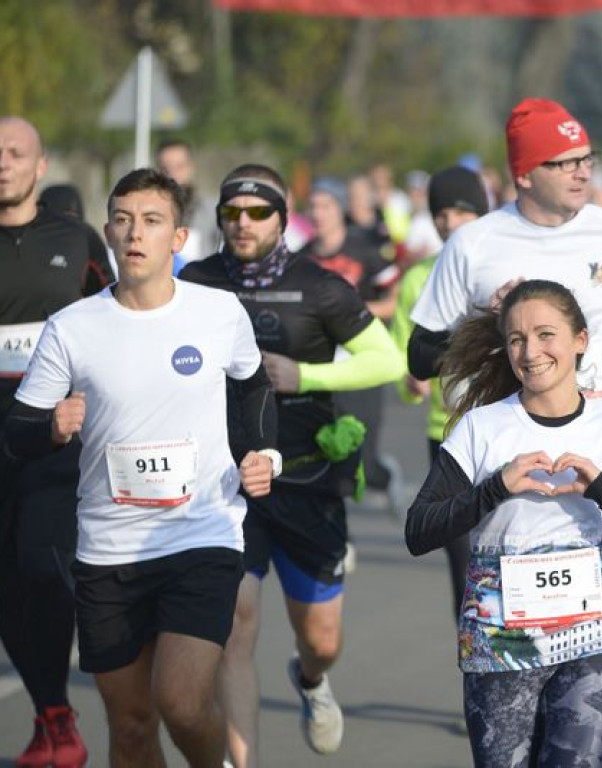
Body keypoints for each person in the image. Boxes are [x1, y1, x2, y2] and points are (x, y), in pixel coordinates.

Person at [5, 167, 280, 767]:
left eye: (152, 221)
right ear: (107, 231)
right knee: (130, 728)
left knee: (181, 704)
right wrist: (51, 428)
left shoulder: (217, 312)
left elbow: (254, 386)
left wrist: (266, 454)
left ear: (178, 238)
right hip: (108, 550)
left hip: (201, 534)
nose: (136, 234)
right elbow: (19, 430)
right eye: (124, 221)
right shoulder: (73, 327)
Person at [405, 279, 602, 767]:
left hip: (589, 638)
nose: (530, 351)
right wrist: (494, 488)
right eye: (516, 339)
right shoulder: (482, 427)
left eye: (545, 334)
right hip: (501, 641)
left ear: (580, 340)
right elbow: (419, 530)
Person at [180, 164, 403, 765]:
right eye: (233, 212)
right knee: (236, 623)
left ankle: (311, 680)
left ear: (283, 218)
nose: (244, 223)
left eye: (258, 212)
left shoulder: (320, 285)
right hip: (226, 481)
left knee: (321, 639)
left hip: (305, 478)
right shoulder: (194, 283)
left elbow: (386, 360)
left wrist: (307, 375)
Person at [407, 98, 602, 585]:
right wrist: (490, 321)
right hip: (505, 453)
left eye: (586, 159)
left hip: (598, 444)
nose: (581, 173)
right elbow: (420, 355)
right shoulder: (474, 243)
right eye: (564, 163)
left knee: (591, 615)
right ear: (526, 174)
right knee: (494, 618)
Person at [0, 116, 113, 768]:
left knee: (44, 567)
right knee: (6, 581)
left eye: (17, 153)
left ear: (40, 167)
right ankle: (53, 716)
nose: (4, 162)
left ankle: (57, 720)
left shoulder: (75, 239)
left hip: (53, 434)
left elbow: (115, 319)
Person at [390, 164, 490, 621]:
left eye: (459, 212)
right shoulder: (417, 279)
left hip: (508, 429)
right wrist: (410, 381)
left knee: (508, 553)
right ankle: (475, 661)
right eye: (440, 215)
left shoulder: (502, 267)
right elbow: (400, 353)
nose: (449, 223)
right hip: (446, 432)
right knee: (463, 561)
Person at [298, 176, 404, 515]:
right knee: (326, 450)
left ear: (340, 209)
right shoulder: (301, 260)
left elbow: (395, 300)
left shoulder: (365, 251)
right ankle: (340, 541)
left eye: (325, 205)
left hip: (363, 361)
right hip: (321, 365)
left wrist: (355, 314)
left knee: (363, 458)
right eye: (313, 206)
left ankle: (384, 476)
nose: (318, 213)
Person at [155, 138, 219, 263]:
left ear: (191, 167)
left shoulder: (212, 212)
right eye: (165, 169)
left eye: (179, 167)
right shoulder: (147, 212)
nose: (172, 175)